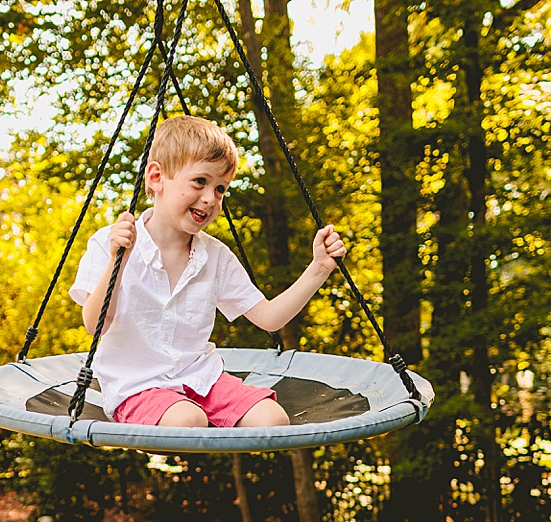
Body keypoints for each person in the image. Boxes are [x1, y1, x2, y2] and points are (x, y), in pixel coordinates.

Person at [69, 114, 346, 428]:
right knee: (187, 419)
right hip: (137, 385)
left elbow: (268, 318)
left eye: (220, 189)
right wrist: (118, 261)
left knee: (272, 420)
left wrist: (318, 268)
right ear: (157, 178)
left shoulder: (215, 256)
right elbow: (95, 324)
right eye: (200, 181)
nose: (210, 198)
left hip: (200, 379)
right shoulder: (112, 242)